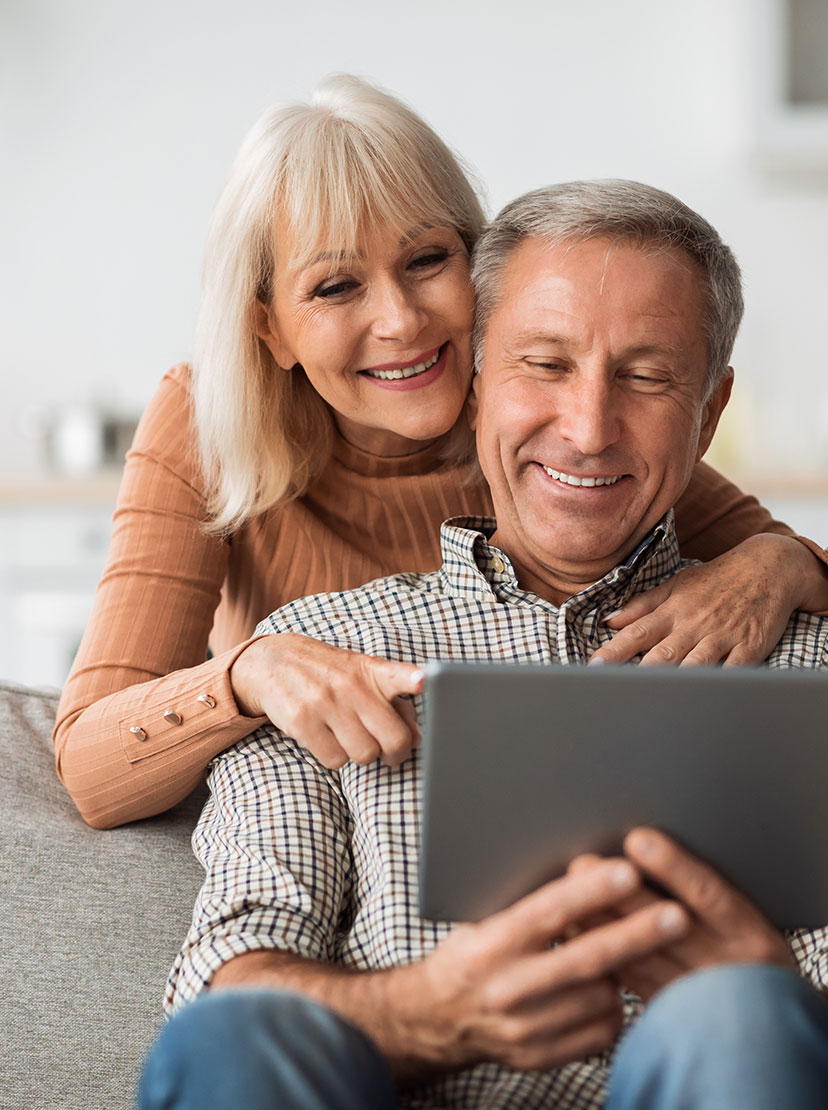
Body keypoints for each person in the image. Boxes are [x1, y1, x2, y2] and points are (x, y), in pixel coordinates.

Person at [141, 181, 828, 1110]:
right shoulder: (325, 656)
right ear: (472, 389)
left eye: (647, 377)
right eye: (544, 365)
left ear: (709, 412)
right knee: (234, 1044)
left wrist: (782, 1008)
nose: (588, 428)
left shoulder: (809, 665)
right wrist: (433, 1011)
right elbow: (232, 977)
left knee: (745, 1021)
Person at [54, 76, 828, 830]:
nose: (399, 321)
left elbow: (763, 553)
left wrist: (781, 563)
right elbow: (90, 768)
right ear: (271, 331)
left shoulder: (554, 437)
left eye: (426, 260)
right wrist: (251, 671)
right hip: (318, 834)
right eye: (334, 287)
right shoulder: (207, 423)